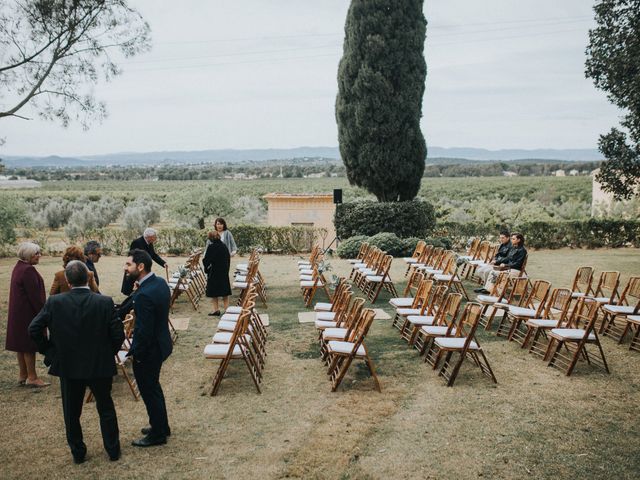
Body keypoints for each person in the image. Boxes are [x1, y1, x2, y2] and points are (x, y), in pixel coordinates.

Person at [29, 261, 124, 464]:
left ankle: (78, 453)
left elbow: (34, 329)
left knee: (71, 413)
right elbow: (118, 335)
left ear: (68, 282)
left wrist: (50, 352)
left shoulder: (55, 302)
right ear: (88, 279)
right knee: (106, 408)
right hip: (99, 365)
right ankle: (113, 450)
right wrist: (107, 353)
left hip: (69, 365)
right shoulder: (104, 302)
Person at [123, 249, 173, 447]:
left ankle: (158, 434)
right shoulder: (158, 283)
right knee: (154, 388)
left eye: (128, 265)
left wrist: (136, 353)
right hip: (161, 344)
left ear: (140, 267)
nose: (125, 268)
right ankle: (161, 425)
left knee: (149, 390)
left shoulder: (144, 295)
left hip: (149, 351)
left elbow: (143, 331)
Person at [5, 242, 49, 387]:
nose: (39, 256)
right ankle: (32, 377)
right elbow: (35, 296)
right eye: (36, 253)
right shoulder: (28, 270)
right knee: (28, 345)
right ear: (29, 255)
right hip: (28, 313)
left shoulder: (18, 267)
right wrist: (44, 314)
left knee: (21, 345)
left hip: (18, 313)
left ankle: (22, 374)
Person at [121, 228, 169, 295]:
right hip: (136, 269)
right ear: (149, 237)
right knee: (131, 289)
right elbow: (131, 256)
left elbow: (153, 255)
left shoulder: (149, 243)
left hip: (144, 269)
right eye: (154, 236)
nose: (156, 238)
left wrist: (163, 263)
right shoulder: (136, 242)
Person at [203, 230, 232, 316]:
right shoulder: (224, 246)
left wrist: (206, 269)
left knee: (214, 292)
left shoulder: (211, 247)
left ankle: (216, 310)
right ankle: (227, 310)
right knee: (225, 292)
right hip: (223, 271)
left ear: (211, 238)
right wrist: (226, 270)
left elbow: (206, 260)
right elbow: (228, 259)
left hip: (214, 272)